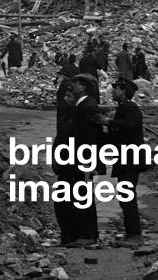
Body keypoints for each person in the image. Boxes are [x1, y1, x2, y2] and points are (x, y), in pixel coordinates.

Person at [102, 77, 144, 243]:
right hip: (127, 158)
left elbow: (126, 125)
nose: (113, 91)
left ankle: (135, 235)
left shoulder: (130, 108)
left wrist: (108, 122)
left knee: (127, 197)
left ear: (124, 91)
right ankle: (132, 233)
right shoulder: (124, 108)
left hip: (130, 159)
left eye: (116, 88)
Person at [66, 73, 103, 246]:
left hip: (84, 160)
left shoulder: (87, 106)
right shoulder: (83, 105)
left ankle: (87, 235)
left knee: (82, 196)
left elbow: (90, 137)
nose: (73, 86)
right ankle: (89, 234)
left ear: (83, 87)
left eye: (76, 83)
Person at [52, 85, 77, 245]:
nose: (65, 100)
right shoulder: (67, 115)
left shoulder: (74, 117)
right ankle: (68, 235)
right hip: (65, 164)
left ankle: (71, 236)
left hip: (71, 165)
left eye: (69, 97)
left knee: (67, 203)